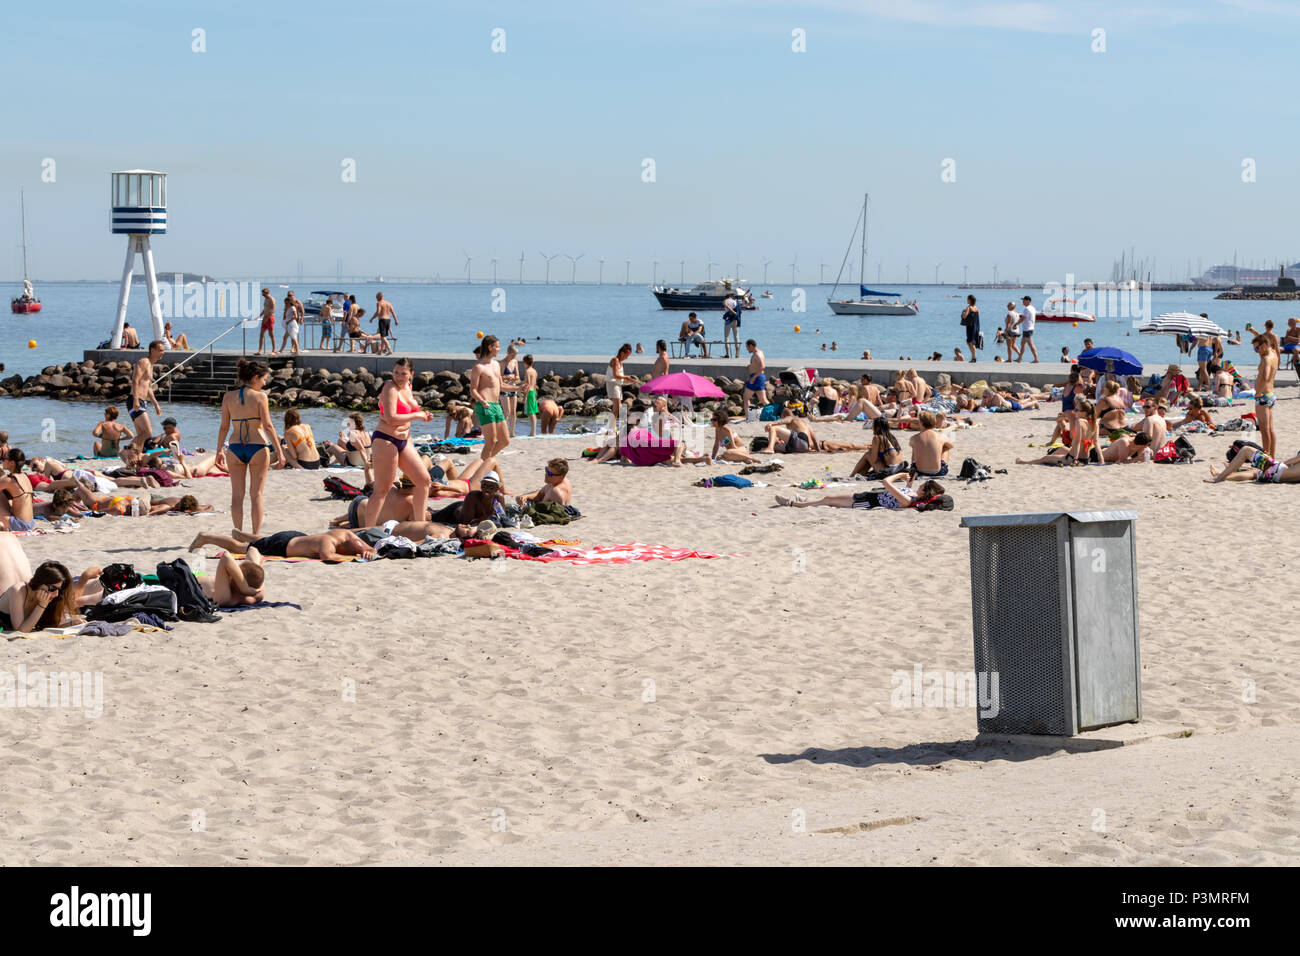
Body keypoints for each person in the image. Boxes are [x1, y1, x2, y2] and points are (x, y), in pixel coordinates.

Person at [364, 357, 435, 528]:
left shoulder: (408, 387)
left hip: (404, 441)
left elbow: (411, 409)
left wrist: (423, 414)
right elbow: (391, 418)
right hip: (385, 440)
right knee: (382, 489)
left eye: (403, 373)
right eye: (396, 372)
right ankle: (368, 529)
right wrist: (417, 416)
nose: (398, 376)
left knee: (424, 481)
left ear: (411, 374)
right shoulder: (390, 387)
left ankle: (419, 526)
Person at [216, 358, 284, 534]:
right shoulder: (261, 397)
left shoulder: (228, 397)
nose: (264, 382)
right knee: (256, 495)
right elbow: (268, 426)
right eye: (263, 379)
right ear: (255, 377)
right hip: (257, 447)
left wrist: (218, 451)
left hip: (235, 448)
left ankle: (238, 533)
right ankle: (254, 535)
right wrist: (280, 451)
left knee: (237, 496)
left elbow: (224, 426)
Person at [0, 538, 102, 632]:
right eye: (52, 588)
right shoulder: (18, 591)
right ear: (40, 582)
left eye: (59, 589)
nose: (56, 593)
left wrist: (70, 623)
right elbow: (21, 630)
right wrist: (42, 605)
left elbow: (45, 626)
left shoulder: (49, 595)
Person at [776, 473, 952, 511]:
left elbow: (886, 482)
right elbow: (907, 489)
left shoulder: (907, 500)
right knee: (828, 498)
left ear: (925, 491)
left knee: (829, 499)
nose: (920, 485)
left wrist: (900, 475)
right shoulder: (911, 495)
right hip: (868, 496)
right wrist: (908, 481)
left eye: (924, 485)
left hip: (868, 502)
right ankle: (808, 501)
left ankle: (796, 504)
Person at [470, 336, 523, 462]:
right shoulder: (478, 367)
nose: (499, 349)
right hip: (484, 406)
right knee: (491, 441)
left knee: (504, 440)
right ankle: (483, 468)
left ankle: (484, 464)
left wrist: (519, 388)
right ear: (490, 347)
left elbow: (502, 386)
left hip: (496, 405)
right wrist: (482, 401)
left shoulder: (496, 365)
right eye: (497, 346)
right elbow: (472, 390)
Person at [190, 528, 375, 562]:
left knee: (262, 541)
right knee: (241, 549)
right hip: (284, 544)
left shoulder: (348, 535)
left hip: (297, 537)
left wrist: (367, 551)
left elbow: (367, 548)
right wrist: (353, 556)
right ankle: (207, 537)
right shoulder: (328, 542)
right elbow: (328, 556)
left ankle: (241, 534)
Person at [128, 340, 164, 453]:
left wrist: (156, 404)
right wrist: (135, 400)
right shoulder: (144, 361)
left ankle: (137, 456)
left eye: (163, 350)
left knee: (141, 434)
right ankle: (126, 451)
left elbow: (148, 387)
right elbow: (135, 379)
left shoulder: (150, 365)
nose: (162, 353)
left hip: (141, 401)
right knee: (147, 433)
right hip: (135, 400)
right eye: (160, 350)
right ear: (152, 350)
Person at [1205, 443, 1300, 483]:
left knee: (1246, 450)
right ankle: (1223, 475)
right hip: (1278, 479)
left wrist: (1281, 463)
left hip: (1278, 470)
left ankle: (1220, 477)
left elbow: (1293, 461)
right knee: (1254, 472)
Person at [324, 411, 373, 485]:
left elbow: (361, 448)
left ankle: (324, 461)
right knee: (340, 441)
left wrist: (366, 463)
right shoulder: (367, 433)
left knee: (332, 447)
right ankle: (334, 461)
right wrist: (342, 437)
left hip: (352, 462)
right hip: (361, 459)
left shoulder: (353, 433)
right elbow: (356, 447)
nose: (347, 424)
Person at [1252, 332, 1279, 457]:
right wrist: (1252, 331)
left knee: (1264, 429)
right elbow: (1264, 338)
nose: (1256, 351)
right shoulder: (1273, 353)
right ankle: (1272, 456)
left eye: (1257, 348)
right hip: (1270, 394)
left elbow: (1265, 376)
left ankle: (1267, 456)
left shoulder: (1266, 358)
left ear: (1263, 345)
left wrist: (1258, 392)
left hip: (1263, 395)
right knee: (1270, 428)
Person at [909, 410, 955, 477]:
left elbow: (912, 445)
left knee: (915, 446)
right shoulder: (940, 436)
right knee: (945, 447)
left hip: (918, 471)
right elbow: (951, 446)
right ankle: (937, 463)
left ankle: (914, 466)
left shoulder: (914, 438)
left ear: (921, 423)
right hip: (938, 472)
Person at [0, 449, 36, 532]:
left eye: (4, 459)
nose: (2, 461)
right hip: (30, 523)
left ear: (12, 463)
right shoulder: (24, 476)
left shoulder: (9, 480)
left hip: (19, 525)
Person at [605, 343, 636, 413]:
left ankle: (613, 423)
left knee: (618, 407)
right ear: (622, 353)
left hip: (617, 385)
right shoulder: (615, 360)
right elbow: (616, 375)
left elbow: (621, 377)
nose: (627, 358)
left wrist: (631, 380)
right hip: (612, 384)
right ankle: (613, 423)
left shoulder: (620, 362)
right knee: (617, 407)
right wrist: (626, 377)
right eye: (626, 355)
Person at [500, 344, 522, 436]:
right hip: (504, 388)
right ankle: (502, 431)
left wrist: (515, 378)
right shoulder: (502, 363)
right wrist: (506, 377)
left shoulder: (515, 362)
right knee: (507, 411)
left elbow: (518, 376)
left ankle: (511, 431)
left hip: (513, 387)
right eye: (512, 355)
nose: (513, 357)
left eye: (515, 355)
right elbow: (498, 377)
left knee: (513, 412)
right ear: (508, 353)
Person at [742, 339, 767, 419]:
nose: (747, 349)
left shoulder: (757, 355)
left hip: (756, 378)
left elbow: (762, 367)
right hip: (759, 377)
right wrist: (751, 366)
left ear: (751, 346)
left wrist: (753, 377)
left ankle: (748, 417)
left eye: (747, 347)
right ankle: (774, 411)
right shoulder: (760, 352)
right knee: (763, 399)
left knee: (746, 397)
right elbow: (758, 365)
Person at [518, 354, 541, 436]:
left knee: (531, 413)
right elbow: (534, 384)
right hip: (533, 392)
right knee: (533, 413)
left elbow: (527, 384)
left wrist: (525, 396)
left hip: (529, 392)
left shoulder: (527, 371)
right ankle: (533, 431)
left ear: (524, 363)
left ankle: (533, 432)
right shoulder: (534, 371)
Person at [1015, 295, 1039, 362]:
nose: (1023, 301)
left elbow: (1023, 318)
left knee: (1031, 345)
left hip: (1028, 329)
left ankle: (1036, 359)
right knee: (1022, 344)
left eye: (1024, 300)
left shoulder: (1027, 309)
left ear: (1028, 301)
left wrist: (1016, 324)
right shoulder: (1033, 308)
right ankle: (1019, 358)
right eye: (1023, 300)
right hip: (1029, 328)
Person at [961, 295, 981, 362]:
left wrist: (963, 313)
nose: (967, 300)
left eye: (967, 299)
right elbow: (978, 314)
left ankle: (974, 357)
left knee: (970, 342)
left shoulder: (969, 307)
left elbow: (964, 316)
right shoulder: (976, 308)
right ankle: (973, 356)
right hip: (976, 326)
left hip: (970, 327)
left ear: (969, 300)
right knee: (970, 341)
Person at [256, 288, 276, 354]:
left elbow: (273, 309)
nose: (262, 294)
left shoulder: (271, 299)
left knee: (271, 334)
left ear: (266, 293)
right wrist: (259, 316)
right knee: (261, 334)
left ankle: (273, 350)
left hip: (270, 318)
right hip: (265, 317)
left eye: (263, 293)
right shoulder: (266, 299)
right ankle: (260, 350)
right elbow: (265, 309)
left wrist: (268, 317)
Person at [722, 292, 742, 357]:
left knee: (726, 337)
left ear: (727, 297)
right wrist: (734, 312)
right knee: (736, 336)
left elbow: (725, 304)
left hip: (728, 320)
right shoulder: (735, 301)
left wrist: (731, 311)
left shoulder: (726, 300)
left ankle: (727, 353)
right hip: (735, 319)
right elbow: (740, 311)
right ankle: (737, 354)